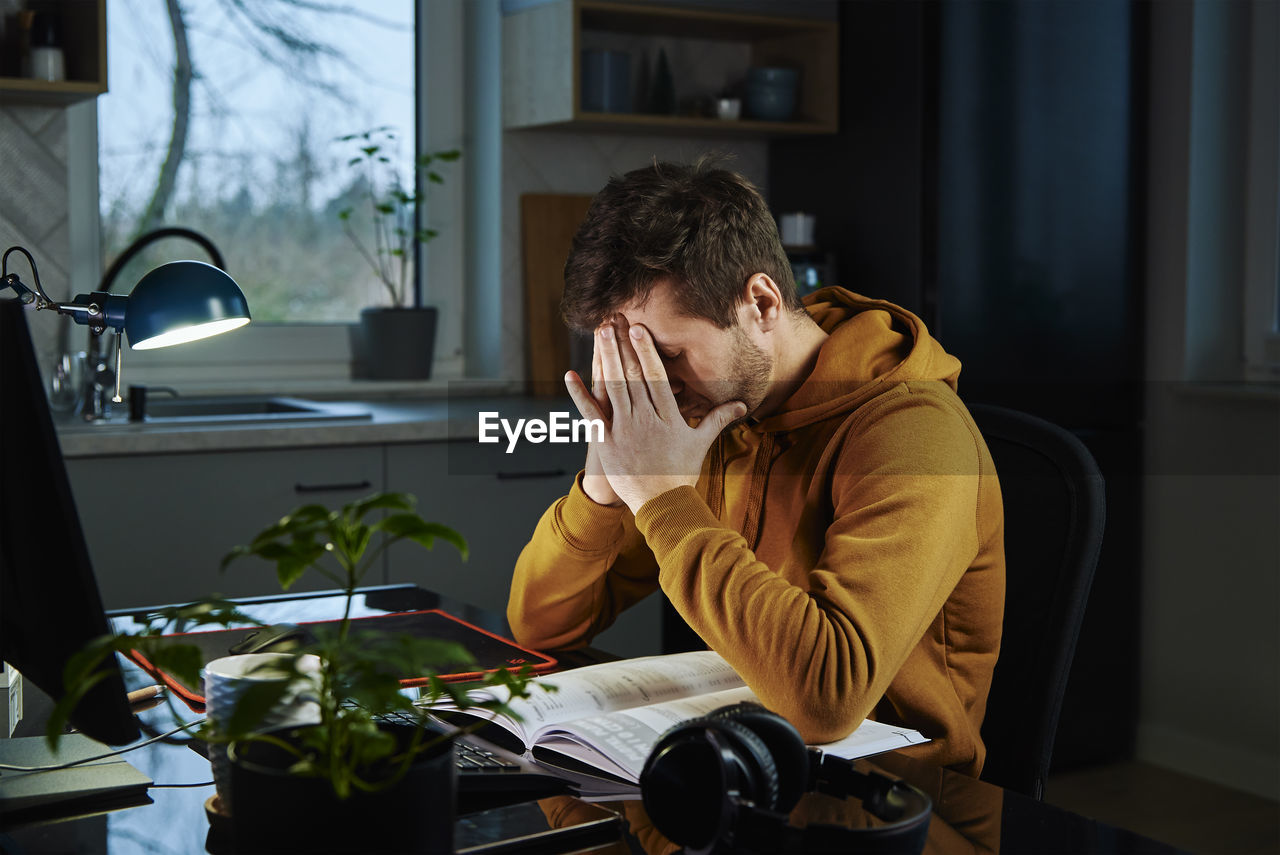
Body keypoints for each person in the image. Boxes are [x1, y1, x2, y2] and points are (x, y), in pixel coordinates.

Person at [507, 159, 1004, 776]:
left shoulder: (916, 434)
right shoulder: (709, 413)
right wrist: (604, 488)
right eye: (628, 359)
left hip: (897, 802)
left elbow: (827, 698)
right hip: (747, 768)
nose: (651, 387)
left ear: (760, 303)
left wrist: (665, 503)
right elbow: (540, 625)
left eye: (664, 354)